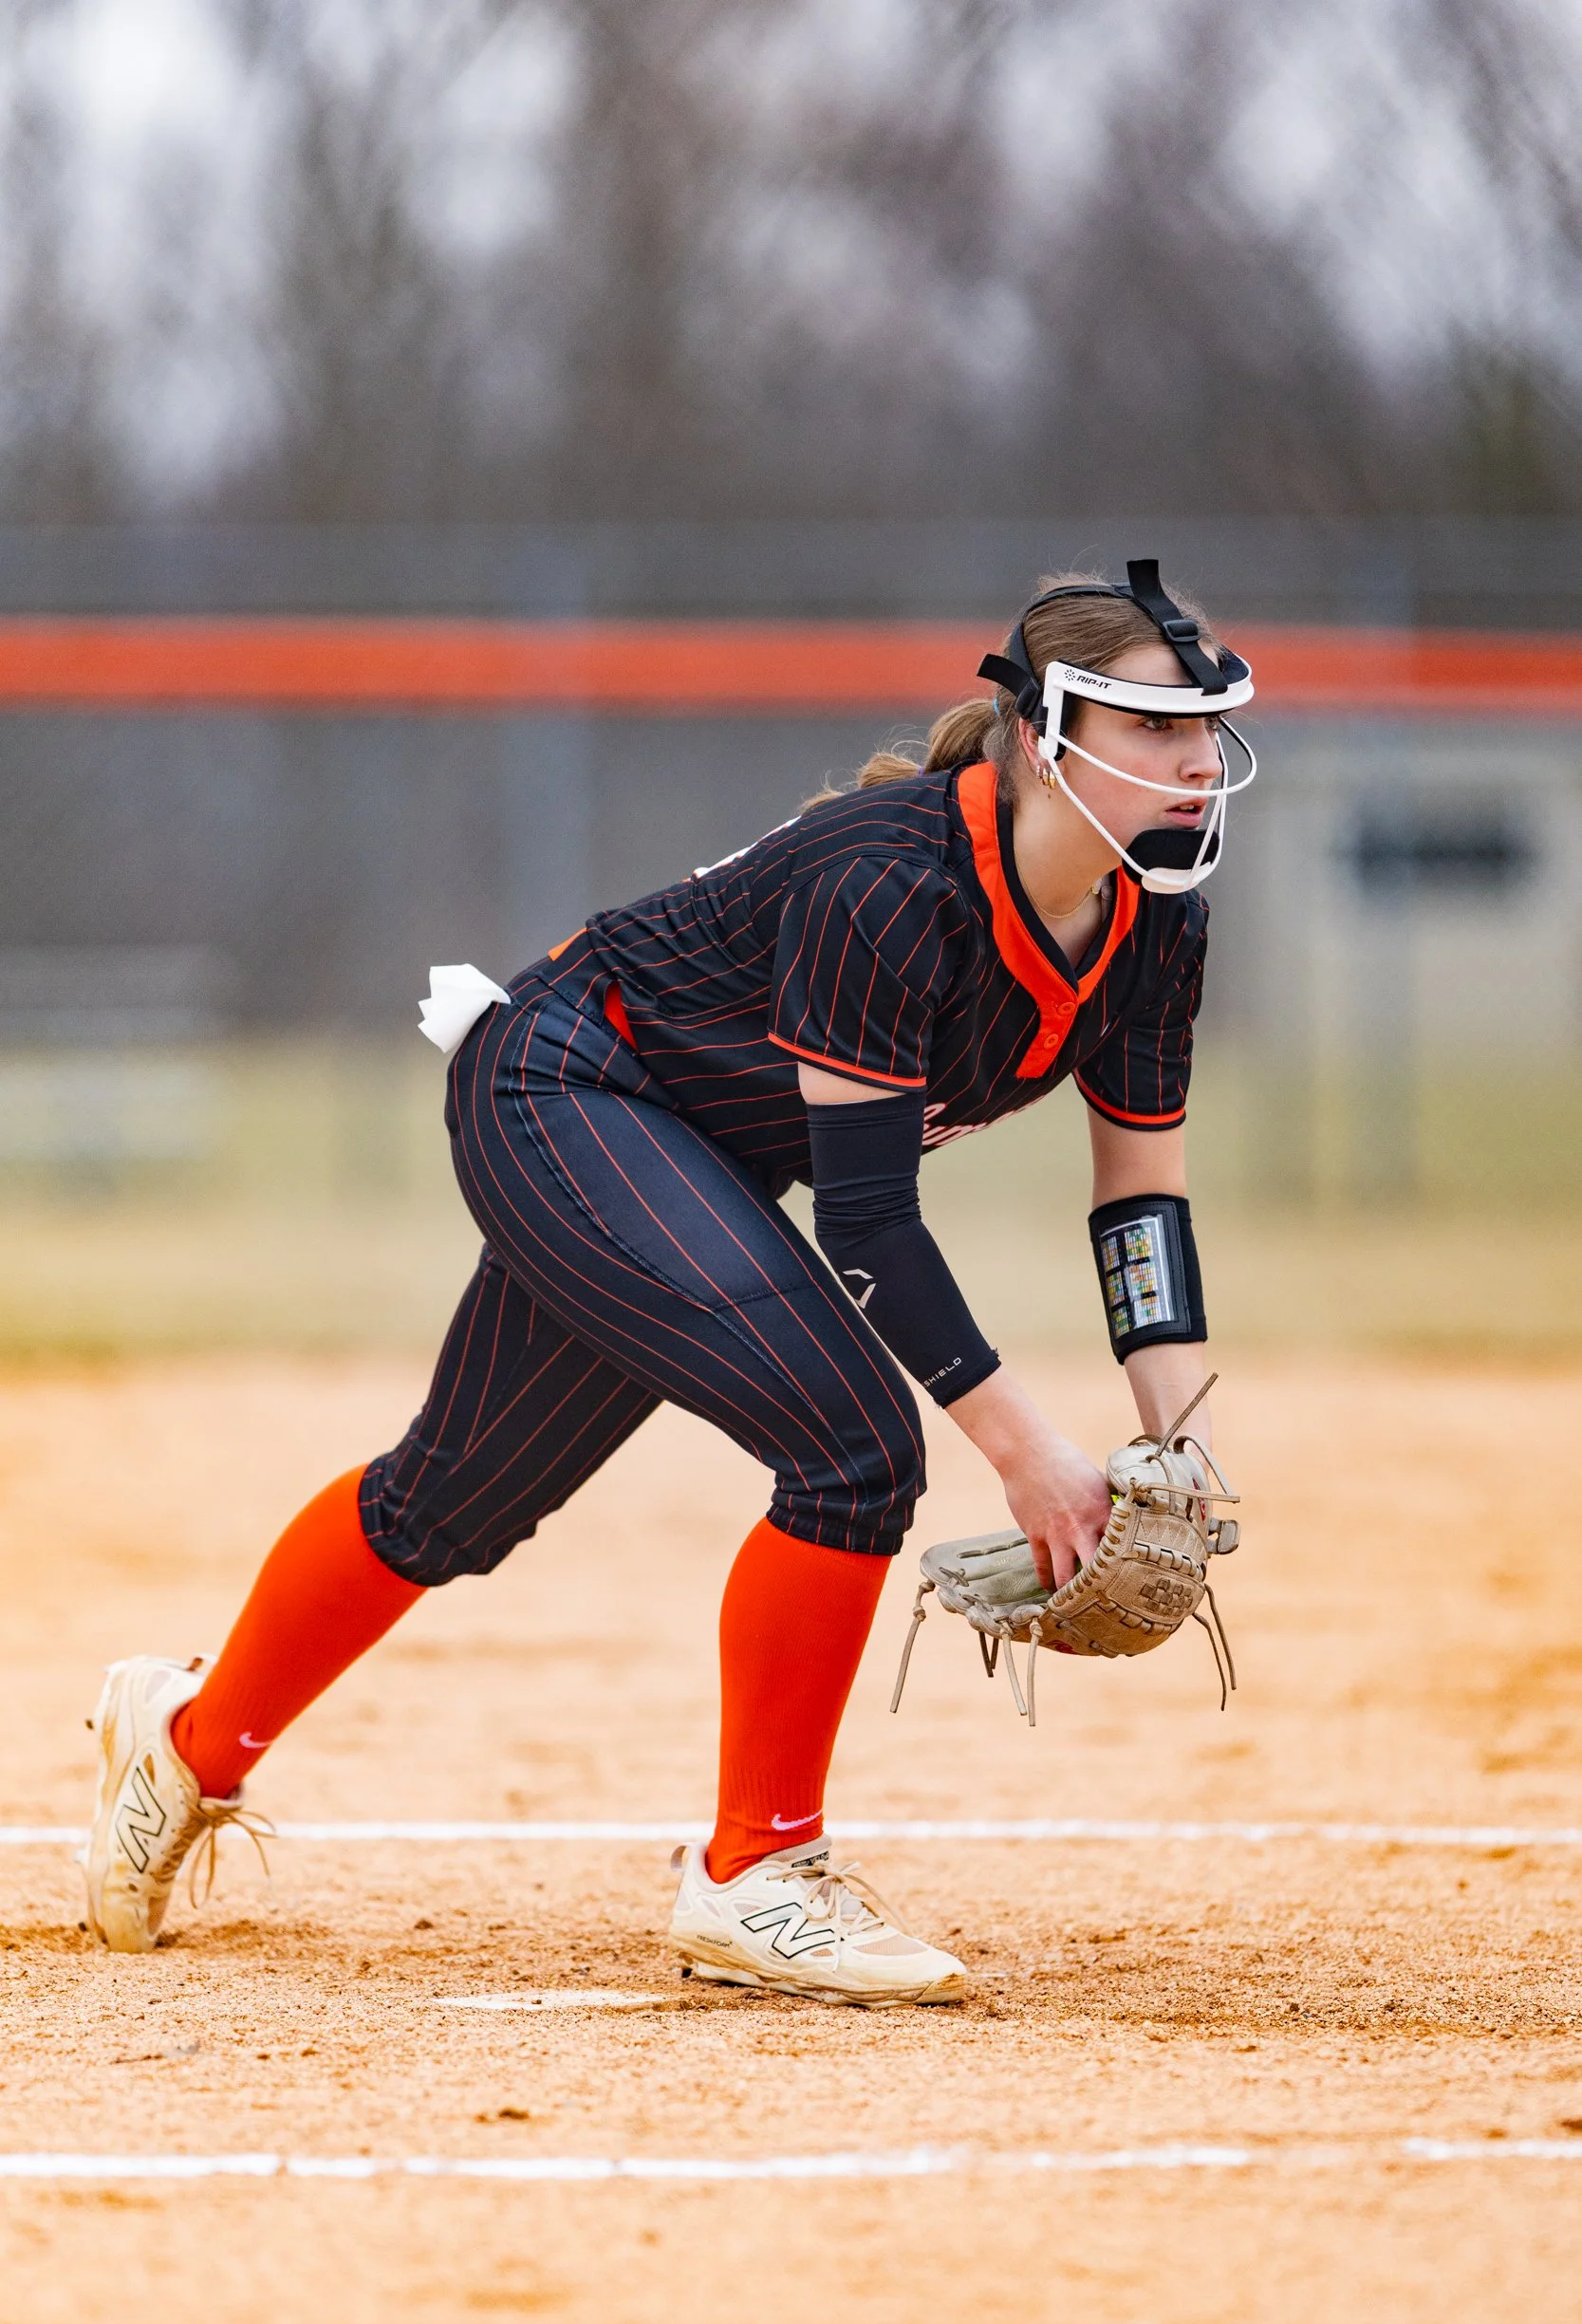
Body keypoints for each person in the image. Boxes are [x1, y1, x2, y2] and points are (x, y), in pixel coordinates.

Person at [83, 560, 1256, 2007]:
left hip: (690, 1149)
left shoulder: (1156, 920)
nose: (1195, 760)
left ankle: (183, 1745)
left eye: (1207, 728)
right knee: (853, 1448)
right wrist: (1034, 1460)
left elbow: (1140, 1201)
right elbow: (871, 1223)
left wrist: (1178, 1435)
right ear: (1039, 734)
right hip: (566, 1084)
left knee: (452, 1498)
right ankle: (756, 1873)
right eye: (1153, 727)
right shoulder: (891, 877)